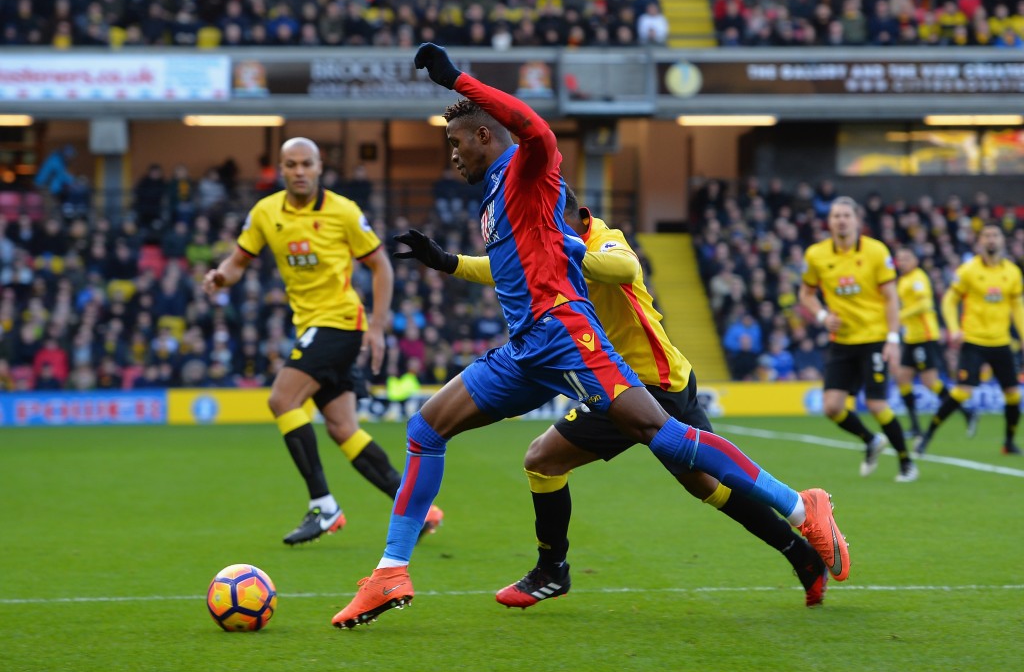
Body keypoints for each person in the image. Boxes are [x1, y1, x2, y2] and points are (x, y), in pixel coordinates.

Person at [331, 44, 849, 630]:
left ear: (482, 136)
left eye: (456, 144)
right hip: (527, 348)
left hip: (569, 335)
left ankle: (802, 508)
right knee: (427, 428)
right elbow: (505, 268)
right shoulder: (495, 204)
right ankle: (392, 571)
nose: (452, 157)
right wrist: (447, 262)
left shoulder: (527, 171)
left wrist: (456, 80)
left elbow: (539, 134)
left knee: (669, 443)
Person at [395, 188, 829, 608]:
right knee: (543, 460)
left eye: (547, 223)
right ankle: (552, 571)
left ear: (572, 217)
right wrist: (447, 262)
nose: (539, 232)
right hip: (608, 384)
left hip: (656, 385)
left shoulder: (605, 239)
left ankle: (801, 539)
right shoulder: (551, 249)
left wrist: (570, 248)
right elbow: (508, 268)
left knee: (706, 483)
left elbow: (621, 269)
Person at [202, 137, 443, 546]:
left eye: (306, 164)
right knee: (343, 429)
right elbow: (239, 260)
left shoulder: (343, 212)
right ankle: (420, 512)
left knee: (282, 400)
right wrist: (222, 275)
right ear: (281, 169)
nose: (298, 171)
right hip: (312, 325)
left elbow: (381, 266)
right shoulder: (265, 213)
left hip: (340, 322)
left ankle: (324, 506)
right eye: (291, 164)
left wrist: (378, 326)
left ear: (319, 168)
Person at [798, 197, 918, 482]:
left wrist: (892, 338)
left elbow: (891, 298)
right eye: (836, 216)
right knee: (832, 407)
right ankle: (870, 440)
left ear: (857, 220)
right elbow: (806, 294)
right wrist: (822, 317)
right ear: (829, 222)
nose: (841, 220)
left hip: (874, 337)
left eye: (846, 216)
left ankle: (906, 462)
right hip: (842, 339)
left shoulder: (876, 252)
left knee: (876, 404)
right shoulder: (816, 255)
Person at [915, 223, 1024, 457]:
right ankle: (928, 435)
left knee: (1014, 394)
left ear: (1002, 241)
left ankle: (1009, 442)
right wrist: (954, 328)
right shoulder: (968, 270)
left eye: (995, 235)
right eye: (986, 235)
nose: (991, 239)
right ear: (980, 242)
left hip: (1001, 341)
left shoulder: (1012, 272)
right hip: (974, 341)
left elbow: (1017, 306)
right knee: (962, 392)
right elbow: (949, 301)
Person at [894, 247, 975, 439]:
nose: (902, 262)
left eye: (906, 257)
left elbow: (924, 304)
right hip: (911, 337)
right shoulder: (904, 279)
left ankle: (966, 412)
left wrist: (901, 316)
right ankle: (914, 426)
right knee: (902, 378)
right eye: (900, 259)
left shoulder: (918, 278)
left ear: (915, 260)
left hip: (924, 336)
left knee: (929, 382)